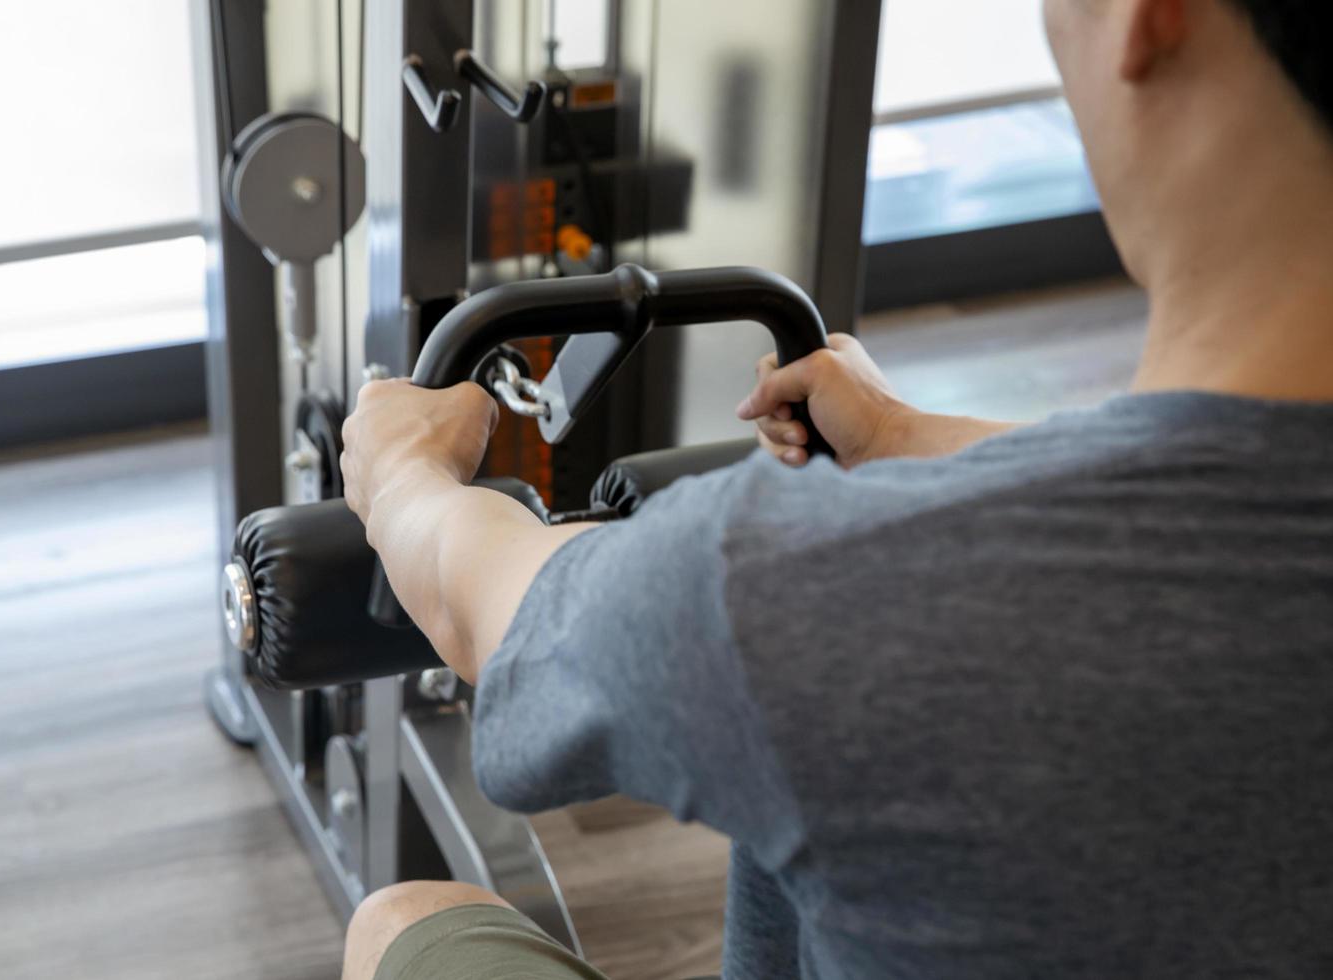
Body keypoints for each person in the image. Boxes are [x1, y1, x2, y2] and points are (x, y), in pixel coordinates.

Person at [337, 0, 1333, 976]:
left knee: (409, 920)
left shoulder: (814, 587)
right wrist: (910, 439)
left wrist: (404, 471)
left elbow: (490, 616)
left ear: (1142, 16)